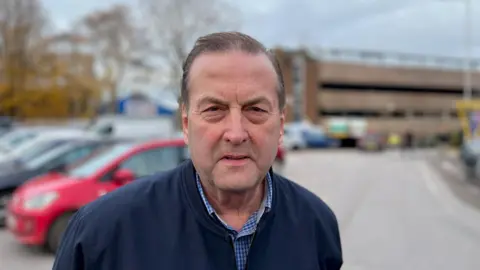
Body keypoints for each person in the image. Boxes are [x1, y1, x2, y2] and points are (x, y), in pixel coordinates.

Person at [52, 31, 343, 270]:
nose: (236, 133)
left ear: (280, 125)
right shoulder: (101, 233)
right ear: (187, 124)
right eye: (214, 109)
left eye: (255, 109)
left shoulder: (316, 224)